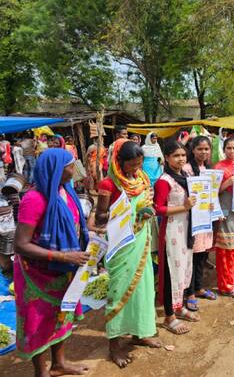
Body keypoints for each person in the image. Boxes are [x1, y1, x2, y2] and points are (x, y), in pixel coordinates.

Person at [13, 149, 90, 376]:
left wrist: (93, 232)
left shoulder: (65, 191)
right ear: (57, 170)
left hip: (64, 270)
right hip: (37, 273)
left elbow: (75, 224)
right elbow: (21, 244)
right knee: (37, 321)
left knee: (61, 315)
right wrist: (63, 257)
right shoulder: (34, 200)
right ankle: (41, 371)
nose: (75, 169)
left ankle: (59, 363)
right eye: (71, 166)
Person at [94, 140, 162, 368]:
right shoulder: (109, 184)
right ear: (119, 161)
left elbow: (148, 201)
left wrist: (146, 211)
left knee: (143, 287)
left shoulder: (141, 178)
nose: (135, 168)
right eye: (131, 164)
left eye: (139, 164)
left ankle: (139, 332)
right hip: (121, 244)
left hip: (141, 240)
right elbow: (100, 218)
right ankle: (114, 345)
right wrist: (123, 213)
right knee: (120, 289)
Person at [154, 141, 197, 336]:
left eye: (183, 155)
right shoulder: (164, 181)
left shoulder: (186, 176)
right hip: (171, 231)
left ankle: (179, 307)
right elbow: (158, 208)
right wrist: (184, 207)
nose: (181, 159)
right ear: (167, 158)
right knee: (171, 272)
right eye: (176, 155)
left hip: (186, 227)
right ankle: (169, 316)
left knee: (184, 268)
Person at [183, 136, 218, 307]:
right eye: (200, 149)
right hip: (191, 220)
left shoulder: (209, 170)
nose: (203, 152)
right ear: (193, 150)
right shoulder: (186, 169)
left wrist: (213, 206)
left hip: (205, 218)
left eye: (206, 149)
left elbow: (213, 193)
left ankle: (199, 287)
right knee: (193, 255)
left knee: (203, 254)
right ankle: (189, 292)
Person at [213, 139, 234, 298]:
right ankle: (225, 285)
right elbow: (212, 192)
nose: (232, 151)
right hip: (226, 209)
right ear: (224, 149)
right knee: (226, 248)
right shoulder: (218, 167)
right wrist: (227, 183)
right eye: (229, 148)